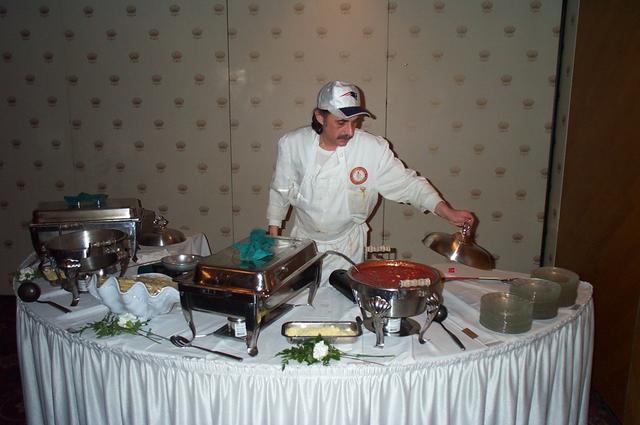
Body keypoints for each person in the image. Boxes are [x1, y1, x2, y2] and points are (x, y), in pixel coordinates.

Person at [266, 80, 475, 284]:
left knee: (344, 299)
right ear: (320, 117)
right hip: (304, 243)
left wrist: (446, 211)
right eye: (341, 122)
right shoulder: (293, 144)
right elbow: (280, 189)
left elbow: (409, 184)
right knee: (301, 298)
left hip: (348, 246)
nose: (350, 131)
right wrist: (273, 237)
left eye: (355, 122)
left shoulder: (372, 148)